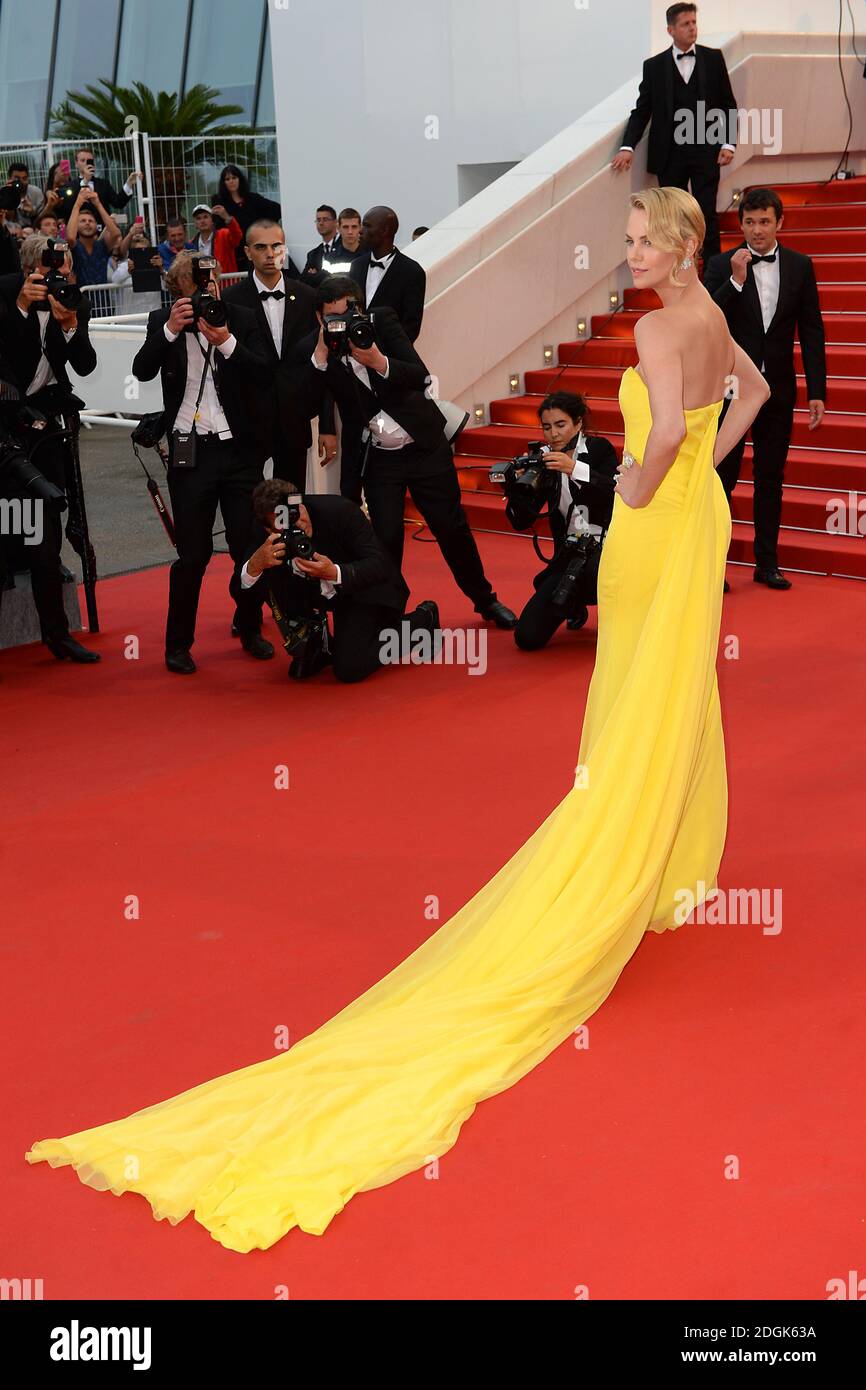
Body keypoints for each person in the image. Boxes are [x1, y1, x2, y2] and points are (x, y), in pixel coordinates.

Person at [24, 188, 772, 1254]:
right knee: (674, 690)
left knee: (633, 696)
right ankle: (663, 860)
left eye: (640, 239)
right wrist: (698, 469)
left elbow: (643, 459)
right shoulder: (712, 315)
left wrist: (648, 487)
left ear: (680, 244)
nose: (627, 250)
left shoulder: (657, 326)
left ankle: (620, 858)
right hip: (703, 518)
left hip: (659, 529)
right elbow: (748, 394)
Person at [298, 273, 516, 627]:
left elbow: (419, 375)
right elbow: (304, 401)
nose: (343, 324)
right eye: (333, 318)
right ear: (320, 318)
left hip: (424, 447)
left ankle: (484, 600)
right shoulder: (317, 350)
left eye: (348, 314)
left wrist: (378, 361)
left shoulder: (380, 322)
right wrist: (322, 355)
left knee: (451, 528)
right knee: (384, 538)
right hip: (380, 457)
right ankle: (390, 614)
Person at [130, 252, 274, 674]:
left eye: (211, 283)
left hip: (237, 453)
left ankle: (251, 628)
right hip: (189, 453)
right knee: (192, 555)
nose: (207, 291)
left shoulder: (241, 317)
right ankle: (178, 644)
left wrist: (226, 340)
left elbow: (265, 372)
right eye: (197, 285)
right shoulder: (163, 320)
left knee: (247, 548)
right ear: (181, 290)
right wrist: (171, 330)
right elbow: (141, 370)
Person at [704, 187, 826, 590]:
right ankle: (713, 565)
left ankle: (766, 563)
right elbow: (705, 322)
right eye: (750, 222)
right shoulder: (723, 265)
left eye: (764, 222)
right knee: (721, 478)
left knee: (770, 477)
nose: (756, 231)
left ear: (780, 223)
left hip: (777, 390)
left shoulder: (799, 266)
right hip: (731, 389)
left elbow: (811, 331)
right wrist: (737, 282)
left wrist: (817, 391)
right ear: (740, 224)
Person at [0, 234, 100, 662]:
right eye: (46, 267)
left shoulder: (71, 300)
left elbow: (85, 365)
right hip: (6, 429)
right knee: (7, 529)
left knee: (46, 534)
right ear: (27, 268)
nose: (57, 276)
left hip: (48, 430)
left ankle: (57, 636)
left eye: (63, 266)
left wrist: (69, 323)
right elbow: (12, 362)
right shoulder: (5, 294)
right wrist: (24, 307)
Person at [240, 478, 440, 682]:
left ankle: (424, 620)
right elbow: (240, 586)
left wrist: (334, 572)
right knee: (268, 570)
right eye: (283, 524)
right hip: (314, 594)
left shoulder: (340, 511)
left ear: (299, 503)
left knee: (349, 668)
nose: (296, 525)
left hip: (363, 589)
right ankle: (317, 647)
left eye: (296, 514)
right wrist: (255, 565)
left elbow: (381, 565)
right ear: (268, 528)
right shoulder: (262, 530)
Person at [611, 3, 737, 263]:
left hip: (706, 149)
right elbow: (642, 110)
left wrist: (729, 143)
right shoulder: (654, 66)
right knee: (671, 217)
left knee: (706, 212)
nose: (692, 28)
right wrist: (627, 147)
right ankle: (678, 270)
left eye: (694, 22)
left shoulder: (713, 58)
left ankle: (713, 271)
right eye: (685, 24)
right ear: (671, 30)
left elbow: (728, 104)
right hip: (669, 154)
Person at [223, 219, 334, 486]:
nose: (270, 254)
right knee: (248, 502)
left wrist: (327, 427)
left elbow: (324, 364)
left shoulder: (308, 297)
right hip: (247, 421)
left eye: (276, 246)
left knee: (292, 501)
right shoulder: (230, 300)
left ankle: (289, 529)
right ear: (248, 252)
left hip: (294, 418)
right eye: (261, 247)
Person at [502, 392, 618, 649]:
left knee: (597, 578)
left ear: (578, 423)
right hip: (569, 556)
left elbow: (613, 493)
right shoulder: (542, 461)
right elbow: (520, 522)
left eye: (561, 425)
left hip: (608, 550)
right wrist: (518, 487)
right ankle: (572, 603)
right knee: (527, 638)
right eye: (547, 427)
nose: (553, 434)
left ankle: (614, 609)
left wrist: (572, 467)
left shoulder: (599, 450)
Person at [349, 205, 426, 341]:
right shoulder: (357, 266)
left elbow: (411, 326)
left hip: (391, 357)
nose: (360, 231)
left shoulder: (412, 271)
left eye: (367, 226)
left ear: (384, 231)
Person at [214, 166, 281, 269]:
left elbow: (276, 210)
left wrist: (263, 229)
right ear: (224, 183)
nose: (231, 181)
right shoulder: (220, 202)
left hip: (255, 250)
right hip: (233, 254)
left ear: (240, 179)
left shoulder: (253, 199)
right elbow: (217, 229)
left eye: (234, 178)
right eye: (227, 179)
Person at [53, 149, 141, 223]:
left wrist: (129, 183)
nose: (86, 163)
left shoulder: (103, 184)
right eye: (83, 160)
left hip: (102, 230)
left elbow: (118, 203)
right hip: (78, 234)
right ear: (76, 164)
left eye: (89, 161)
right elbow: (67, 208)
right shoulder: (69, 186)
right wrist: (85, 180)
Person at [65, 187, 123, 286]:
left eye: (91, 221)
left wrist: (98, 204)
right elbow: (70, 237)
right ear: (76, 226)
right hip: (81, 298)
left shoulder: (102, 246)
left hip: (103, 299)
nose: (87, 223)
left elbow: (116, 234)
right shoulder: (74, 246)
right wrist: (77, 204)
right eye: (82, 221)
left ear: (97, 225)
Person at [5, 162, 45, 227]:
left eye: (24, 178)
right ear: (9, 179)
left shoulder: (36, 192)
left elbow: (43, 218)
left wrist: (32, 211)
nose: (21, 182)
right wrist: (9, 194)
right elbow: (9, 219)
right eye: (17, 179)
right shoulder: (4, 194)